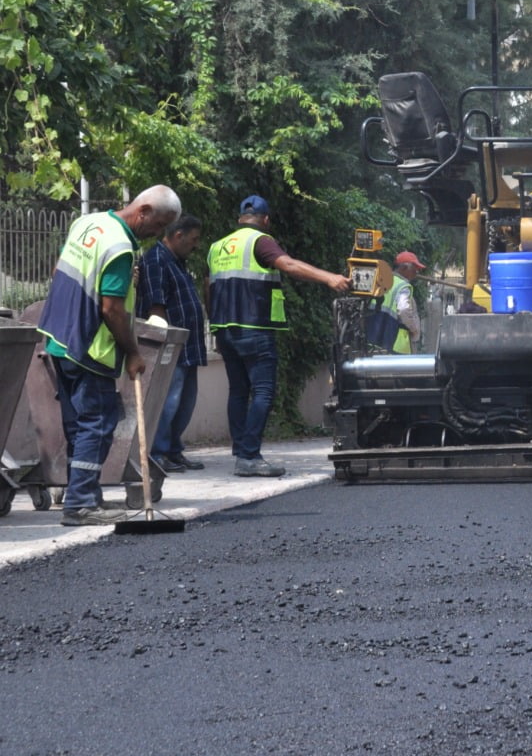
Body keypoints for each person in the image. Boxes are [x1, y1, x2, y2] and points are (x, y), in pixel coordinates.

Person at [37, 185, 183, 525]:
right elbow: (112, 309)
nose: (158, 234)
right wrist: (132, 352)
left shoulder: (88, 223)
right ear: (143, 210)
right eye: (159, 225)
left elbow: (58, 272)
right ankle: (80, 504)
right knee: (98, 423)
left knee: (79, 426)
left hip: (59, 338)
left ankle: (84, 495)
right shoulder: (120, 248)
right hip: (91, 347)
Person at [207, 195, 351, 477]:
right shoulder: (261, 240)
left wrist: (216, 322)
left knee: (238, 391)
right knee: (263, 391)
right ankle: (249, 456)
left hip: (225, 330)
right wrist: (329, 278)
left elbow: (208, 286)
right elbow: (289, 265)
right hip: (254, 328)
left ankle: (241, 450)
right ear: (266, 220)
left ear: (239, 218)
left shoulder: (217, 246)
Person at [138, 213, 208, 474]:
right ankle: (157, 453)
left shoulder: (177, 261)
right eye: (193, 239)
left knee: (185, 402)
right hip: (170, 347)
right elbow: (156, 306)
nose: (196, 244)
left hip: (187, 347)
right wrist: (166, 344)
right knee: (168, 402)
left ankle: (173, 450)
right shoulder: (156, 259)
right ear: (178, 235)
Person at [367, 250, 425, 353]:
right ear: (403, 268)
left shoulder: (381, 281)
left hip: (373, 339)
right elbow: (403, 310)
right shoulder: (402, 286)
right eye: (414, 269)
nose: (417, 272)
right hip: (395, 345)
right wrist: (414, 329)